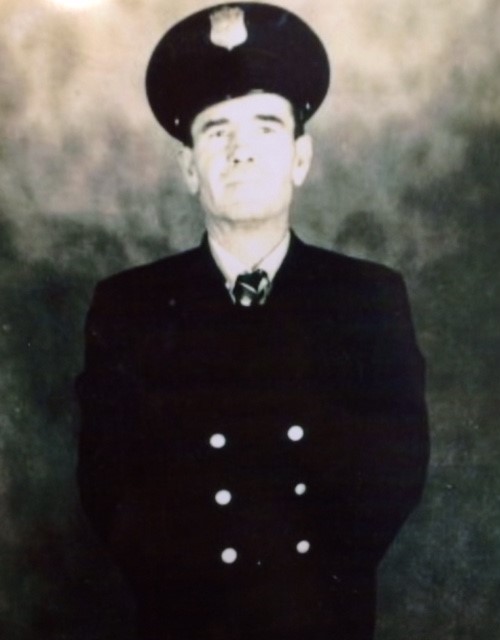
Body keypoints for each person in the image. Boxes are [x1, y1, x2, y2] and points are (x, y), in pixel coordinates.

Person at [76, 3, 429, 640]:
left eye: (266, 127)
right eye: (216, 131)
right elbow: (112, 491)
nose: (241, 151)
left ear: (300, 158)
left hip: (320, 618)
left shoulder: (367, 300)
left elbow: (393, 474)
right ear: (189, 168)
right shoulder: (129, 308)